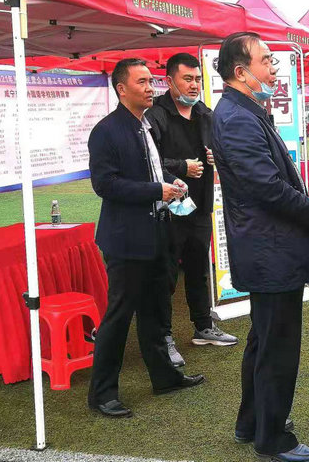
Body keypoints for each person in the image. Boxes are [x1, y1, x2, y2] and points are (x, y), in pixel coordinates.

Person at [211, 32, 309, 462]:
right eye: (266, 60)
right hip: (269, 249)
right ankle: (272, 438)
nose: (274, 68)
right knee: (277, 347)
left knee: (264, 339)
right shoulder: (237, 117)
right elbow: (267, 188)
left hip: (269, 246)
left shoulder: (244, 111)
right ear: (241, 71)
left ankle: (252, 422)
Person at [87, 59, 204, 418]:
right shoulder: (107, 131)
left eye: (151, 80)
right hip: (126, 240)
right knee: (119, 315)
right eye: (142, 82)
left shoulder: (145, 125)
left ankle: (165, 377)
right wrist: (157, 189)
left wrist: (171, 181)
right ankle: (102, 393)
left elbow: (152, 170)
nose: (150, 87)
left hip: (157, 232)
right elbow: (105, 184)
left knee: (156, 311)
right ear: (121, 89)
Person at [146, 53, 237, 368]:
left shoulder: (205, 113)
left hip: (199, 206)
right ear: (169, 81)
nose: (194, 85)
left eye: (198, 79)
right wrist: (181, 167)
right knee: (166, 275)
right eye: (187, 79)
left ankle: (203, 326)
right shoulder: (156, 115)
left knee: (199, 269)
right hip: (168, 208)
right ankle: (164, 338)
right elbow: (148, 161)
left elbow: (221, 150)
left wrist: (216, 157)